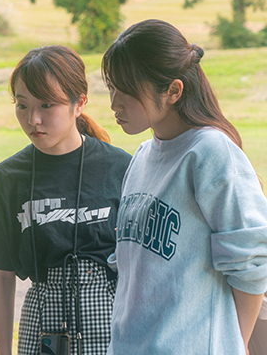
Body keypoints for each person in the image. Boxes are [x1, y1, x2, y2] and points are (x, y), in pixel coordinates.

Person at [102, 19, 267, 354]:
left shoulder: (209, 152)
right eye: (111, 88)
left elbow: (251, 265)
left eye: (127, 91)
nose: (114, 103)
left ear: (174, 91)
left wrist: (233, 344)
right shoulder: (142, 155)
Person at [0, 45, 132, 355]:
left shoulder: (122, 168)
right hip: (41, 326)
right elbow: (1, 274)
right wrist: (3, 351)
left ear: (78, 103)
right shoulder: (6, 179)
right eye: (22, 105)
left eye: (46, 105)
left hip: (113, 325)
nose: (33, 119)